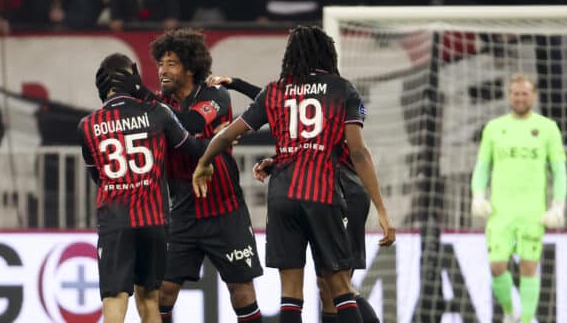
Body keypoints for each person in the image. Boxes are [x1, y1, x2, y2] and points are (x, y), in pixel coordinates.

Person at [193, 26, 395, 323]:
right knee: (339, 287)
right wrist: (382, 209)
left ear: (291, 55)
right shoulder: (341, 89)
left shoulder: (276, 91)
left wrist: (204, 163)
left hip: (283, 196)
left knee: (290, 292)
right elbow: (358, 152)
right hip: (325, 193)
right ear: (328, 54)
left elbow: (225, 136)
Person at [105, 28, 263, 323]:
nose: (162, 71)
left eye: (171, 64)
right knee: (163, 292)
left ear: (190, 68)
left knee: (241, 291)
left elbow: (189, 123)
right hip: (182, 213)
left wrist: (145, 97)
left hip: (225, 211)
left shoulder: (216, 94)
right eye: (160, 64)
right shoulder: (159, 105)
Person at [78, 53, 209, 323]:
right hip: (154, 220)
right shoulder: (158, 113)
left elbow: (98, 177)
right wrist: (223, 138)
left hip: (115, 221)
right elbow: (192, 148)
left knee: (115, 299)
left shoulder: (87, 126)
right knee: (150, 299)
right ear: (133, 78)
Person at [470, 73, 567, 323]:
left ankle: (525, 320)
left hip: (533, 212)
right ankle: (509, 311)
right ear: (509, 95)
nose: (520, 98)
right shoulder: (494, 128)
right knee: (497, 266)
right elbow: (482, 167)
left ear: (533, 95)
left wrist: (558, 205)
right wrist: (478, 196)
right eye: (516, 93)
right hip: (500, 212)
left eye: (525, 93)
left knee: (528, 267)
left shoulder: (548, 128)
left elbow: (558, 170)